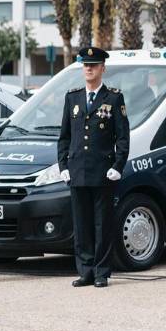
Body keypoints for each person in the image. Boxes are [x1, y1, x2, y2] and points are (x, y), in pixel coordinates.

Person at [58, 47, 130, 288]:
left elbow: (123, 137)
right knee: (82, 224)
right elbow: (64, 137)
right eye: (86, 65)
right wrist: (63, 165)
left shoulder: (114, 98)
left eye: (94, 65)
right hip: (77, 171)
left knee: (102, 224)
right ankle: (85, 271)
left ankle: (101, 272)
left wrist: (118, 165)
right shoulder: (73, 97)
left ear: (103, 68)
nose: (89, 68)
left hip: (102, 172)